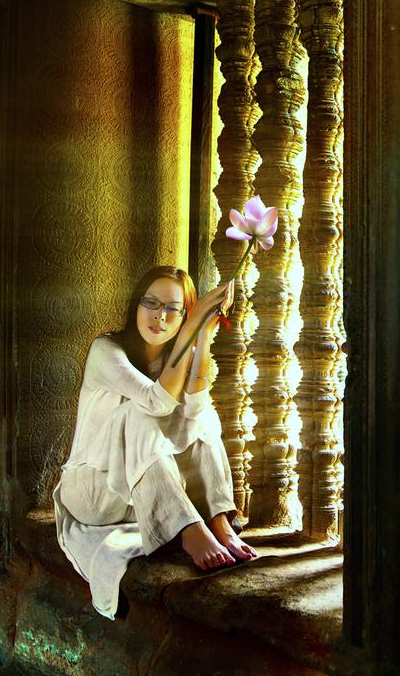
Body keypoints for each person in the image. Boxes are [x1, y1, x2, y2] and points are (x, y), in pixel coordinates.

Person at [50, 265, 258, 618]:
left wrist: (202, 336)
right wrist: (190, 327)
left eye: (174, 309)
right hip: (93, 493)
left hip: (138, 495)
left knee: (202, 415)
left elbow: (196, 411)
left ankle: (219, 520)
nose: (160, 316)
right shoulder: (106, 349)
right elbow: (155, 402)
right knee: (138, 412)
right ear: (136, 305)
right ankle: (190, 529)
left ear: (185, 314)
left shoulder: (176, 356)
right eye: (151, 303)